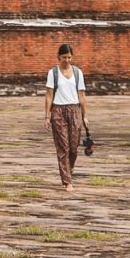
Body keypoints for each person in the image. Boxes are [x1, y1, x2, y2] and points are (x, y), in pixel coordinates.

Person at [44, 42, 88, 191]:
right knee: (63, 147)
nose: (67, 60)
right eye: (64, 57)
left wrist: (85, 115)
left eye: (69, 57)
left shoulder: (77, 73)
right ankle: (67, 180)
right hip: (58, 111)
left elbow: (81, 95)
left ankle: (69, 169)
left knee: (74, 147)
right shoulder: (53, 73)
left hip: (74, 110)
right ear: (59, 57)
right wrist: (47, 115)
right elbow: (49, 95)